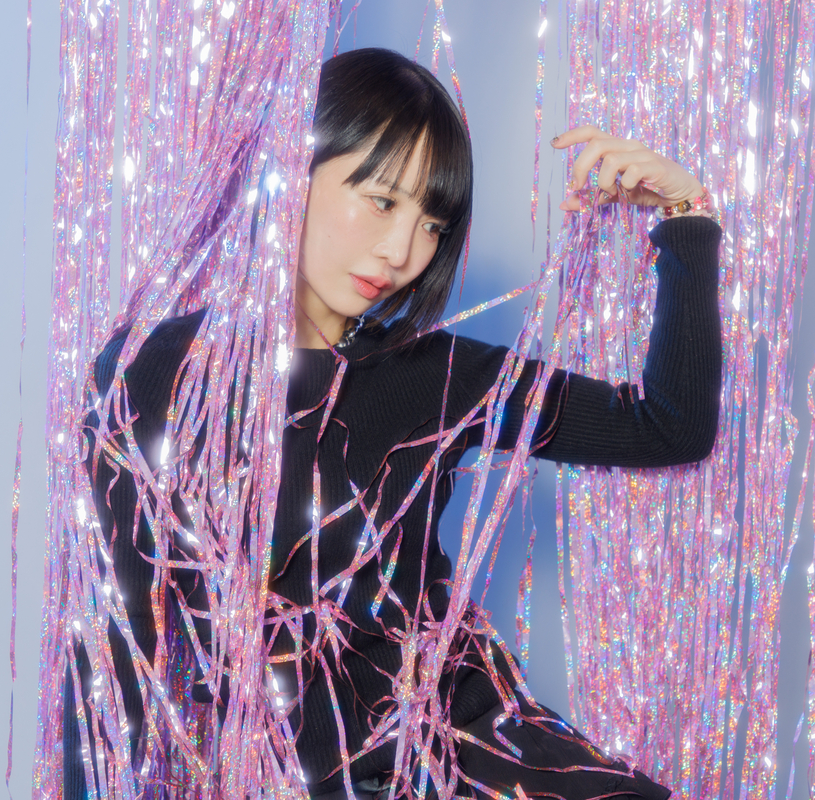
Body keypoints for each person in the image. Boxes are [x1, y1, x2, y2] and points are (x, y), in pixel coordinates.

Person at [68, 47, 722, 799]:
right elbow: (115, 653)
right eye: (381, 201)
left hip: (467, 754)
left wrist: (686, 213)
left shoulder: (434, 374)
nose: (402, 253)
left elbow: (669, 427)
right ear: (295, 169)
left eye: (432, 224)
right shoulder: (156, 372)